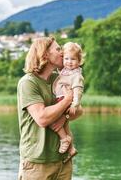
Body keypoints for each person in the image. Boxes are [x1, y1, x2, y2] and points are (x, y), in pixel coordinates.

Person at [17, 37, 82, 180]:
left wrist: (64, 116)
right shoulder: (28, 83)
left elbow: (79, 111)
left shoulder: (59, 78)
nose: (62, 53)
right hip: (37, 163)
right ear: (45, 54)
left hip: (63, 161)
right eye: (58, 49)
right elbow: (42, 118)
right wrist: (68, 99)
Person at [51, 42, 84, 159]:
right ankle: (71, 148)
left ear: (79, 61)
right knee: (65, 125)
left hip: (66, 101)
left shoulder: (76, 75)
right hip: (62, 99)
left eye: (73, 59)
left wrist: (75, 104)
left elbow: (78, 90)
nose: (69, 62)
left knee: (54, 121)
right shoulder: (65, 70)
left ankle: (64, 139)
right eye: (66, 58)